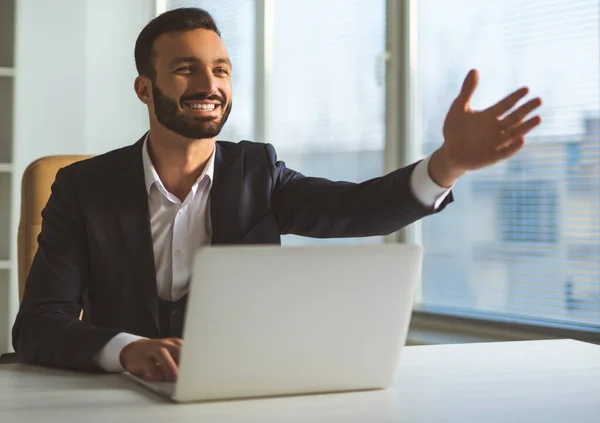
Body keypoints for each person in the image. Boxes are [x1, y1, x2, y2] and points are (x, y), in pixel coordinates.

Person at [12, 7, 542, 382]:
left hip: (242, 395)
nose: (209, 84)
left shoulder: (256, 173)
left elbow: (357, 209)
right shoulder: (84, 188)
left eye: (220, 70)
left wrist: (447, 164)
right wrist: (126, 353)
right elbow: (38, 325)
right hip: (117, 401)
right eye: (185, 69)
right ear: (144, 89)